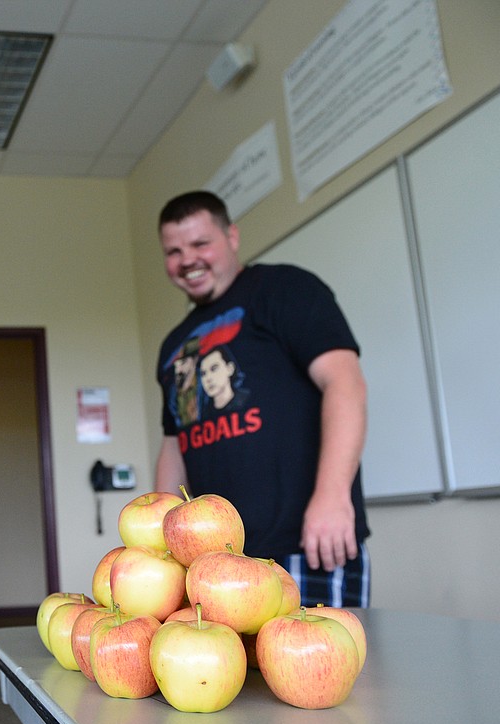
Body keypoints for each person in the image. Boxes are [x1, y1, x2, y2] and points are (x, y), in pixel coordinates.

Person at [153, 190, 370, 607]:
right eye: (173, 251)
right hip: (214, 560)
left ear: (231, 236)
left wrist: (332, 496)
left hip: (307, 542)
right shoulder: (173, 346)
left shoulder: (286, 288)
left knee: (321, 671)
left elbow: (345, 384)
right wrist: (160, 539)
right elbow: (173, 444)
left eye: (201, 243)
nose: (188, 259)